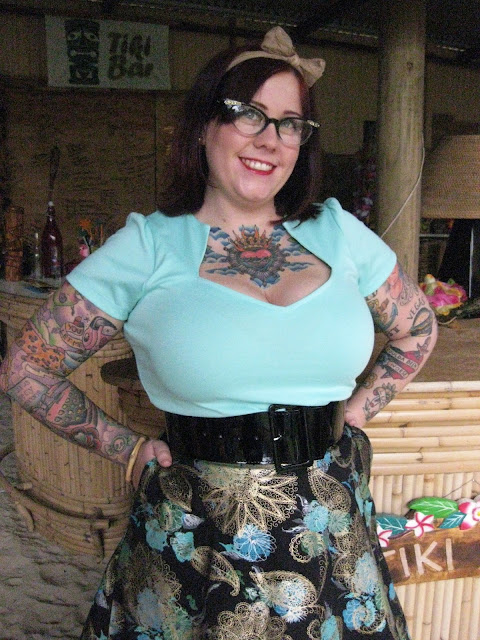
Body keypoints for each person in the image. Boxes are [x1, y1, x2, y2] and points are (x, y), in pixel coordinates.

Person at [0, 26, 437, 640]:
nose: (270, 139)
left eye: (290, 123)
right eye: (248, 113)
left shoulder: (339, 232)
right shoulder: (147, 246)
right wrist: (125, 447)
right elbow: (27, 368)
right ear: (204, 125)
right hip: (196, 537)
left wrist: (360, 408)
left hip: (332, 532)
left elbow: (417, 329)